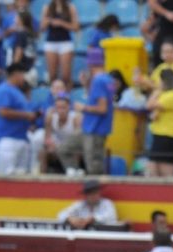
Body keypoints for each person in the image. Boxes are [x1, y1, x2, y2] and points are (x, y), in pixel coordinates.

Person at [63, 47, 116, 176]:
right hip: (91, 128)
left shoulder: (98, 81)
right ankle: (76, 173)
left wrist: (83, 108)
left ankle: (96, 192)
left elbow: (102, 108)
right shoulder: (108, 80)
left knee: (94, 167)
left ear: (90, 63)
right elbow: (102, 100)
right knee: (63, 149)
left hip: (94, 129)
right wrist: (86, 85)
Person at [0, 63, 36, 175]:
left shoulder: (18, 92)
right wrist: (27, 115)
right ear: (15, 74)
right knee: (4, 179)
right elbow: (3, 111)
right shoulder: (4, 90)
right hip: (8, 140)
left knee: (21, 180)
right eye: (22, 74)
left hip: (21, 137)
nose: (24, 78)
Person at [146, 68, 173, 177]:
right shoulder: (167, 95)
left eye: (158, 80)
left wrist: (156, 92)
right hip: (161, 136)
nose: (157, 83)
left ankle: (171, 194)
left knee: (166, 171)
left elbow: (149, 105)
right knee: (153, 168)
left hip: (168, 137)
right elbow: (154, 115)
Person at [40, 0, 79, 88]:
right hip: (51, 42)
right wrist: (48, 21)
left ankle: (67, 97)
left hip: (65, 42)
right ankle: (54, 97)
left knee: (66, 76)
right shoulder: (47, 8)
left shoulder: (70, 7)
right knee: (52, 75)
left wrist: (61, 23)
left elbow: (76, 27)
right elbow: (42, 27)